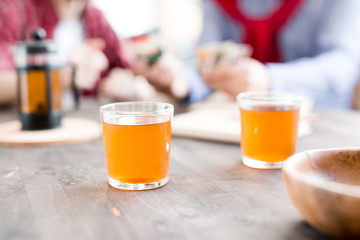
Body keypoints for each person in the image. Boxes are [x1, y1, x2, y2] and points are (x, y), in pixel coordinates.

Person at [139, 0, 360, 109]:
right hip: (234, 123)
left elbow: (343, 65)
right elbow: (208, 55)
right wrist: (184, 80)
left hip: (321, 122)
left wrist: (269, 80)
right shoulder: (219, 4)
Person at [0, 0, 131, 105]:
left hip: (82, 124)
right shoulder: (14, 8)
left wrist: (118, 81)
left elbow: (124, 67)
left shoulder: (96, 17)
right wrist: (59, 78)